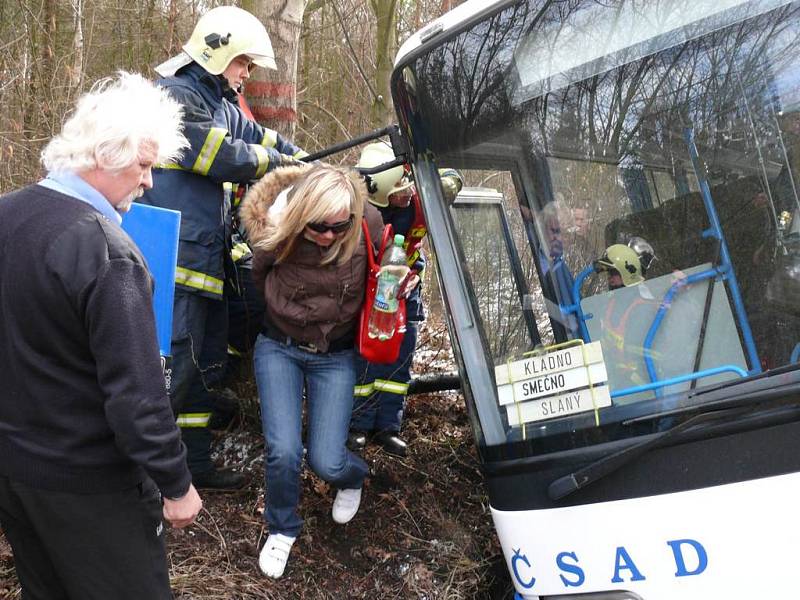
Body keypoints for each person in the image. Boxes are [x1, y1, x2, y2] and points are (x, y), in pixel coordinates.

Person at [0, 72, 202, 600]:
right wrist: (177, 485)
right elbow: (138, 397)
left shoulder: (6, 215)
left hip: (16, 475)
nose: (150, 181)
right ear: (103, 155)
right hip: (92, 485)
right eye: (144, 165)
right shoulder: (106, 251)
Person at [139, 5, 307, 489]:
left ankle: (194, 464)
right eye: (244, 63)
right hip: (177, 266)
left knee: (205, 366)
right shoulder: (174, 97)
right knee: (172, 372)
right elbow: (216, 155)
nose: (246, 74)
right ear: (218, 53)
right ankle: (139, 481)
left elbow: (258, 135)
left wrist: (305, 160)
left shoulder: (217, 102)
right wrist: (279, 163)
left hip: (206, 262)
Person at [240, 163, 384, 579]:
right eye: (319, 227)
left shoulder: (366, 224)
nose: (329, 237)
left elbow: (388, 265)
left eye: (340, 228)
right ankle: (282, 527)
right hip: (279, 348)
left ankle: (353, 477)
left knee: (327, 461)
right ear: (301, 215)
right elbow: (259, 275)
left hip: (335, 356)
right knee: (284, 451)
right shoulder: (278, 229)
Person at [348, 142, 463, 456]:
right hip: (373, 291)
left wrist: (445, 184)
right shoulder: (363, 211)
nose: (408, 193)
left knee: (401, 358)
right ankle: (358, 425)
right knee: (366, 358)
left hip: (408, 289)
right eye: (400, 190)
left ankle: (388, 426)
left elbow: (449, 179)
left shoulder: (417, 198)